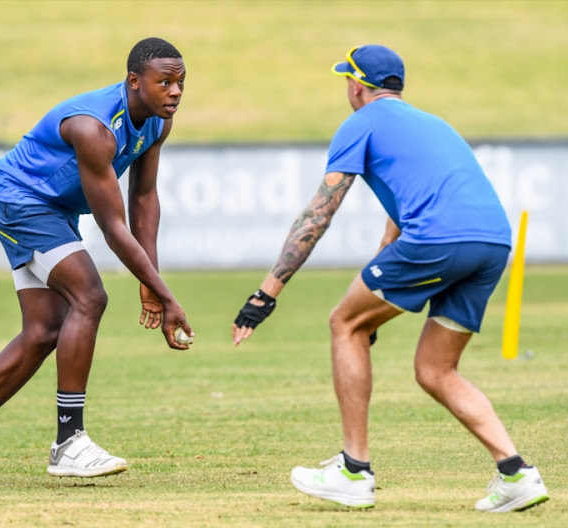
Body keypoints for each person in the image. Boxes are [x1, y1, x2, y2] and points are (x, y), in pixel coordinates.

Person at [231, 44, 549, 513]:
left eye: (347, 80)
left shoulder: (359, 123)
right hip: (492, 243)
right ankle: (516, 474)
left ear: (356, 85)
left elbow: (317, 216)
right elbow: (397, 224)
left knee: (344, 323)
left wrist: (265, 294)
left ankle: (353, 472)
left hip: (440, 239)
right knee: (435, 370)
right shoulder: (432, 124)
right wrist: (374, 309)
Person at [0, 37, 193, 487]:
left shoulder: (157, 124)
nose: (176, 91)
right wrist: (165, 295)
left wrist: (151, 282)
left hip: (51, 209)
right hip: (18, 200)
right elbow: (113, 225)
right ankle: (69, 442)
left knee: (43, 330)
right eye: (165, 82)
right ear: (135, 81)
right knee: (90, 295)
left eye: (181, 82)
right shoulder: (93, 128)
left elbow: (143, 198)